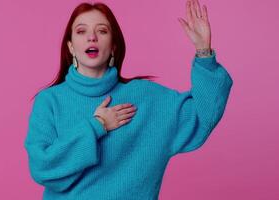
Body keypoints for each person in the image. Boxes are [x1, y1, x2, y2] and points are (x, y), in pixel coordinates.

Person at [24, 0, 233, 199]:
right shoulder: (50, 101)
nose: (92, 37)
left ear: (114, 46)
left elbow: (202, 114)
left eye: (102, 31)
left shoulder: (148, 98)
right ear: (71, 47)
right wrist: (98, 126)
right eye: (81, 31)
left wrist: (204, 53)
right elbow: (43, 167)